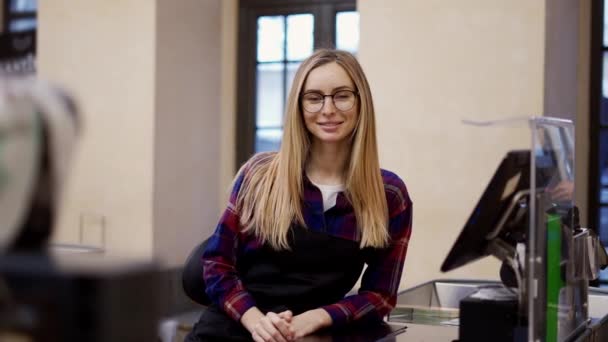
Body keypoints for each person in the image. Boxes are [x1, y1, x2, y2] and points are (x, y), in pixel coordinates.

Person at [186, 49, 413, 342]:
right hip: (232, 329)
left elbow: (380, 295)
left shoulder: (389, 194)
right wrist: (257, 322)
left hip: (307, 335)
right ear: (299, 106)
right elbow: (217, 264)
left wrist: (317, 317)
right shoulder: (260, 175)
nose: (328, 109)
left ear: (361, 103)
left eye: (342, 95)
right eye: (314, 97)